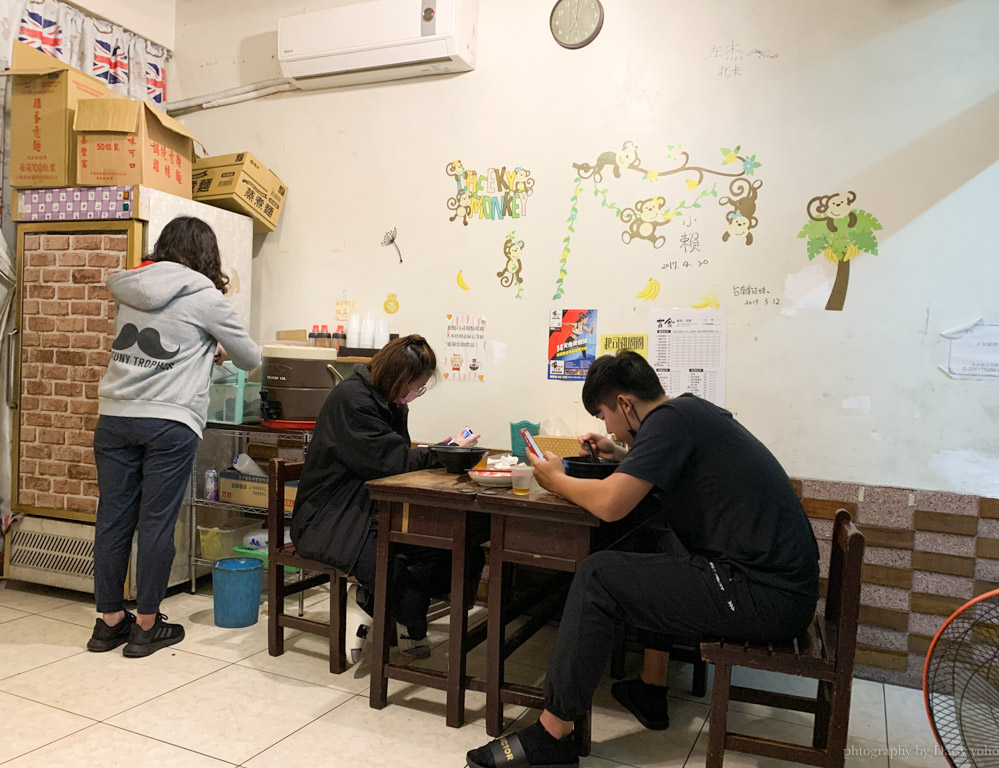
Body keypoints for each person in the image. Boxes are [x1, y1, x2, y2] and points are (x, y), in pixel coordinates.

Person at [467, 350, 819, 768]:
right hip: (781, 588)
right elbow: (666, 471)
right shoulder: (687, 412)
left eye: (603, 416)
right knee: (659, 544)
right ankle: (651, 687)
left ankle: (552, 735)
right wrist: (619, 454)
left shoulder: (668, 422)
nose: (606, 427)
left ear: (624, 404)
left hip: (762, 595)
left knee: (597, 576)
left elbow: (612, 505)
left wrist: (556, 479)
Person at [89, 216, 260, 658]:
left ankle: (108, 623)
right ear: (208, 255)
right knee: (156, 522)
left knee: (112, 519)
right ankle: (146, 624)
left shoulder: (130, 286)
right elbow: (250, 358)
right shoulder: (205, 296)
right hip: (168, 421)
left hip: (114, 418)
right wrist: (214, 345)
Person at [291, 334, 484, 662]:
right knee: (406, 593)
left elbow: (395, 458)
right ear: (397, 378)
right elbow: (391, 463)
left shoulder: (389, 401)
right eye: (415, 387)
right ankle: (399, 611)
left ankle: (375, 601)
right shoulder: (352, 399)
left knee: (464, 553)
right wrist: (444, 453)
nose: (414, 395)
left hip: (372, 511)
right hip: (332, 517)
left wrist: (440, 450)